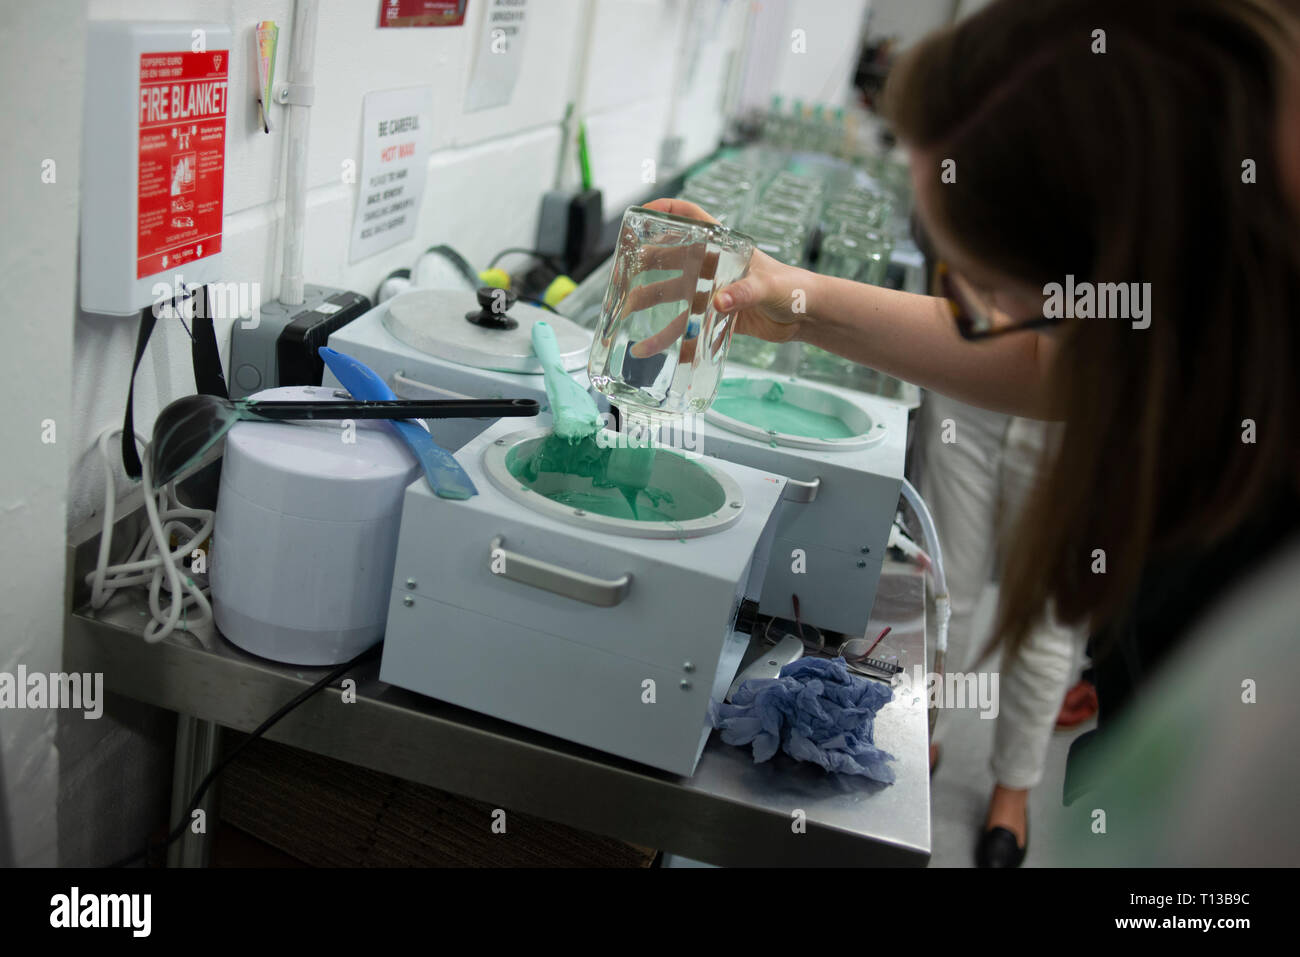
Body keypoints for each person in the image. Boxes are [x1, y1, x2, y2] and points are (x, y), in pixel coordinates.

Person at [648, 0, 1300, 862]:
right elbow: (1050, 362)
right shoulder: (1200, 342)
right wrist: (790, 298)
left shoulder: (1263, 603)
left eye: (994, 295)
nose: (992, 325)